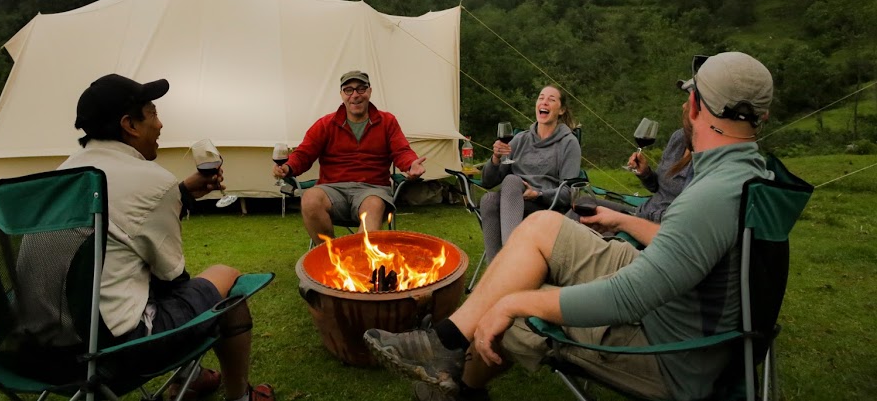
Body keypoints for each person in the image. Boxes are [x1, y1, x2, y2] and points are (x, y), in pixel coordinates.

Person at [364, 52, 775, 401]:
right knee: (542, 227)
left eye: (688, 97)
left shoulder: (711, 196)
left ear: (696, 106)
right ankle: (447, 340)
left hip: (672, 351)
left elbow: (628, 298)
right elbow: (681, 252)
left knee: (510, 307)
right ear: (763, 116)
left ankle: (462, 389)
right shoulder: (749, 174)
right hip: (679, 302)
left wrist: (514, 303)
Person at [61, 74, 267, 401]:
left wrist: (180, 193)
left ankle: (193, 379)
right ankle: (240, 396)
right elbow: (172, 277)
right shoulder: (150, 180)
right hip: (115, 350)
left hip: (48, 349)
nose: (160, 125)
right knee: (226, 279)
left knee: (139, 279)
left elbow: (117, 224)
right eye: (153, 114)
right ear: (130, 125)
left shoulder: (61, 175)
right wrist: (169, 193)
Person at [273, 70, 427, 244]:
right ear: (341, 94)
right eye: (348, 90)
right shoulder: (326, 124)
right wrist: (288, 167)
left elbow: (401, 151)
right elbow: (304, 153)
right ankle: (330, 255)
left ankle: (358, 258)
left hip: (372, 189)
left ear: (369, 91)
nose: (355, 95)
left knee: (373, 206)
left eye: (361, 89)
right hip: (332, 189)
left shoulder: (387, 121)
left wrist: (411, 164)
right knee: (310, 199)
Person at [478, 85, 581, 261]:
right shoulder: (520, 139)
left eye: (551, 99)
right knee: (489, 199)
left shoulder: (568, 143)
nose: (544, 102)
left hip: (545, 206)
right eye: (541, 98)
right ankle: (496, 268)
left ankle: (510, 260)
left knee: (511, 180)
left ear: (561, 110)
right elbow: (488, 182)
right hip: (511, 201)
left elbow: (569, 193)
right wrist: (495, 158)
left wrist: (538, 194)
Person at [583, 110, 695, 244]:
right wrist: (645, 173)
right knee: (584, 205)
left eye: (691, 100)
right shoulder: (679, 137)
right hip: (641, 213)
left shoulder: (705, 159)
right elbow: (657, 187)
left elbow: (683, 220)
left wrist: (625, 221)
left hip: (657, 230)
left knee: (593, 241)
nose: (684, 106)